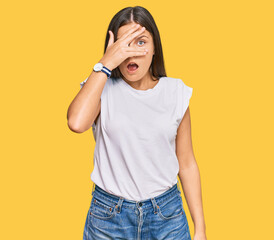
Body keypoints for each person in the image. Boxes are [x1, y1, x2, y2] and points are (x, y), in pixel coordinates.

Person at [67, 6, 207, 240]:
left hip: (166, 216)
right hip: (108, 218)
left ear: (154, 49)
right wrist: (106, 62)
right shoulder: (100, 88)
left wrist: (200, 228)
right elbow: (76, 122)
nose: (131, 53)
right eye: (124, 44)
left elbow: (187, 163)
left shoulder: (175, 92)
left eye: (140, 42)